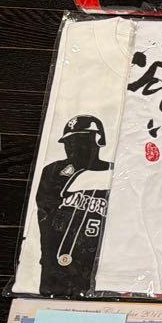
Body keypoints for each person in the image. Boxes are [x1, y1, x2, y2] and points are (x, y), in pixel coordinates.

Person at [35, 115, 112, 296]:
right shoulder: (54, 171)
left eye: (80, 139)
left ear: (99, 140)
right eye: (68, 141)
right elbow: (45, 217)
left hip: (103, 263)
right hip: (59, 267)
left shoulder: (116, 172)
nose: (72, 146)